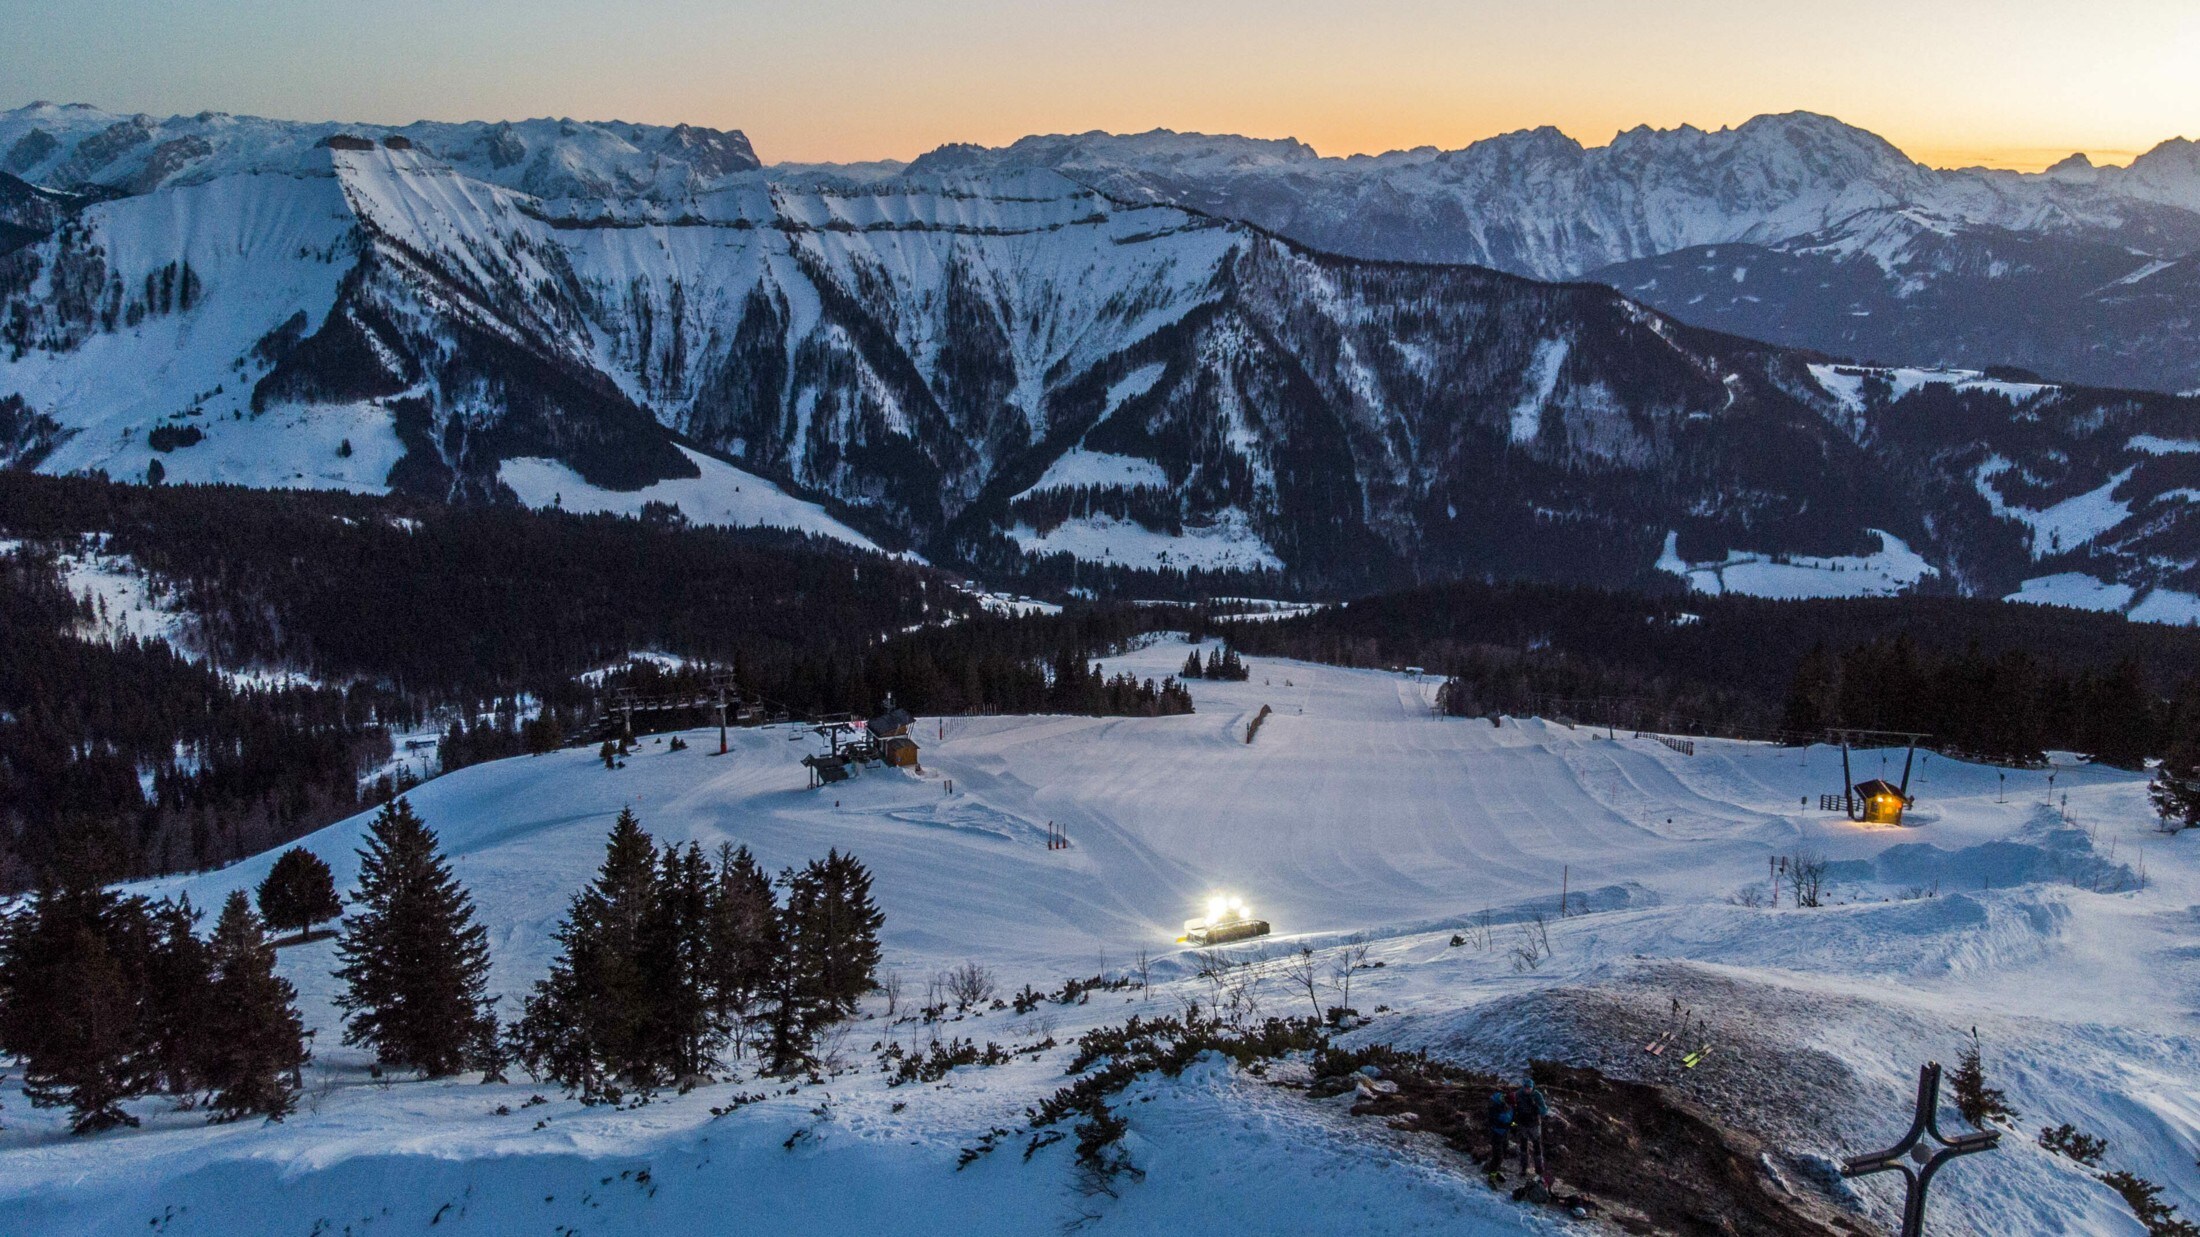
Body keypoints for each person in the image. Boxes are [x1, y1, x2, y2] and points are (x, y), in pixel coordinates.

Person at [1512, 1076, 1550, 1183]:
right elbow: (1514, 1110)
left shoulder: (1537, 1095)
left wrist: (1536, 1108)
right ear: (1523, 1087)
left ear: (1532, 1088)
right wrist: (1513, 1124)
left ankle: (1539, 1171)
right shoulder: (1518, 1094)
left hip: (1534, 1125)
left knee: (1537, 1147)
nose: (1527, 1090)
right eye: (1526, 1087)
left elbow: (1544, 1111)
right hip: (1522, 1124)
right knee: (1523, 1147)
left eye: (1529, 1088)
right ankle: (1524, 1168)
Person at [1482, 1087, 1514, 1174]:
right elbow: (1493, 1121)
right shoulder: (1496, 1107)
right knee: (1498, 1156)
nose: (1510, 1107)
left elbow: (1513, 1121)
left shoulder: (1511, 1107)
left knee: (1503, 1153)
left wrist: (1514, 1125)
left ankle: (1493, 1169)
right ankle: (1492, 1175)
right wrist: (1508, 1125)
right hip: (1496, 1134)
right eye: (1509, 1104)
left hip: (1505, 1134)